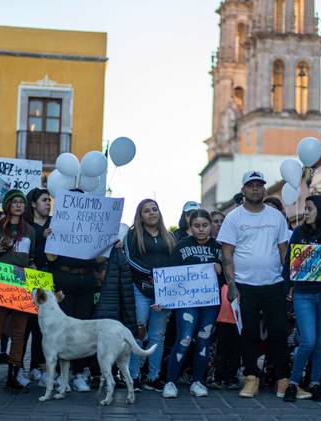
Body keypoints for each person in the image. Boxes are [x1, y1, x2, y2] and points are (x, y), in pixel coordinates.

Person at [218, 170, 290, 399]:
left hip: (274, 283)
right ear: (243, 190)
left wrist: (289, 282)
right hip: (244, 285)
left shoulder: (276, 217)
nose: (256, 189)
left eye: (259, 185)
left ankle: (282, 380)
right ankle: (251, 378)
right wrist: (232, 285)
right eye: (251, 185)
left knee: (279, 331)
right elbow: (226, 254)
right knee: (248, 333)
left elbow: (284, 251)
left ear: (264, 189)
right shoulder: (233, 218)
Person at [283, 195, 321, 403]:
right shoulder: (298, 233)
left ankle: (316, 383)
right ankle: (293, 383)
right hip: (304, 294)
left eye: (309, 208)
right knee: (308, 340)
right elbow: (288, 263)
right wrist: (287, 287)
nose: (305, 212)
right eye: (305, 208)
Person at [0, 189, 36, 394]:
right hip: (0, 282)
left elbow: (31, 258)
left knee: (19, 333)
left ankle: (13, 377)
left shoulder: (30, 231)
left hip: (22, 283)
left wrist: (35, 272)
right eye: (15, 202)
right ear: (7, 205)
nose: (19, 205)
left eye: (22, 202)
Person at [162, 209, 222, 399]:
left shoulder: (218, 248)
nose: (201, 230)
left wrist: (221, 269)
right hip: (187, 302)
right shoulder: (181, 246)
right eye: (197, 226)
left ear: (211, 225)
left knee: (204, 339)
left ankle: (197, 381)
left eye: (205, 225)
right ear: (190, 226)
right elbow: (171, 275)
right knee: (185, 338)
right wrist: (163, 299)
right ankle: (170, 381)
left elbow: (227, 277)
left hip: (210, 303)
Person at [49, 189, 104, 392]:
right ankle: (60, 374)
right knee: (62, 329)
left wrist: (108, 244)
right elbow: (49, 257)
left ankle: (80, 373)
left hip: (86, 280)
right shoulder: (56, 225)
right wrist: (49, 238)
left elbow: (99, 258)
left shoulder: (94, 227)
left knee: (83, 328)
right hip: (64, 278)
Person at [124, 198, 175, 391]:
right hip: (141, 290)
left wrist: (165, 279)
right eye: (147, 210)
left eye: (155, 209)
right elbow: (130, 260)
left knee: (158, 336)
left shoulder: (169, 236)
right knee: (139, 333)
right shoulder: (132, 235)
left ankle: (153, 377)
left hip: (163, 293)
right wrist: (152, 273)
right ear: (140, 215)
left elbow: (175, 261)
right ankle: (133, 375)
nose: (152, 213)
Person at [22, 188, 51, 387]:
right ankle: (18, 368)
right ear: (33, 204)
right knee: (24, 326)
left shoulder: (55, 224)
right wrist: (42, 236)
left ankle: (39, 366)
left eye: (49, 200)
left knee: (43, 327)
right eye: (44, 200)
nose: (48, 203)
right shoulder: (25, 226)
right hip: (27, 279)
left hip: (48, 280)